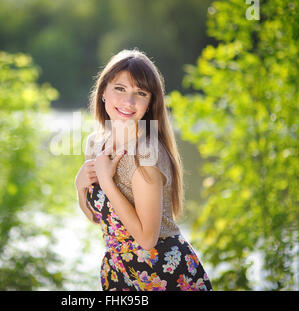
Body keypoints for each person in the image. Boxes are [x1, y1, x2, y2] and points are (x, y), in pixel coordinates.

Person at [74, 49, 212, 291]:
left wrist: (106, 181)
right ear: (103, 91)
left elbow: (147, 240)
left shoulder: (146, 154)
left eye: (140, 93)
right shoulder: (96, 144)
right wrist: (79, 186)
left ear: (150, 103)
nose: (129, 102)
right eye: (120, 89)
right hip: (120, 273)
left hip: (164, 275)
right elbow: (98, 219)